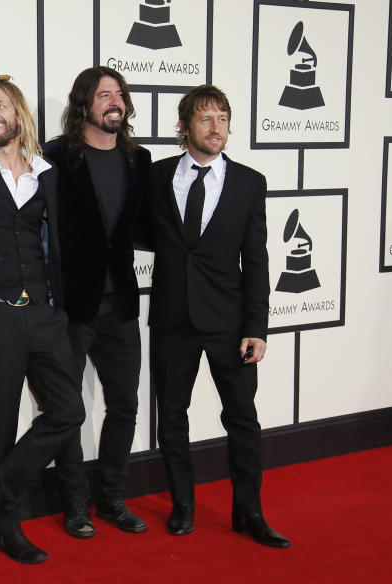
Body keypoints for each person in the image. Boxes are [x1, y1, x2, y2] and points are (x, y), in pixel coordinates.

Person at [146, 84, 290, 548]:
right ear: (185, 126)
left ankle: (249, 511)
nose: (216, 128)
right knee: (171, 416)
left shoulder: (250, 182)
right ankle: (183, 505)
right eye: (205, 118)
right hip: (172, 319)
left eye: (223, 119)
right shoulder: (156, 175)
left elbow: (258, 258)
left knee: (242, 418)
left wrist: (257, 327)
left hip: (229, 322)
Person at [0, 76, 85, 564]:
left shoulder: (47, 172)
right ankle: (6, 527)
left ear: (18, 113)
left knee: (68, 410)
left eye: (0, 105)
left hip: (44, 313)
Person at [44, 67, 151, 538]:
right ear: (84, 104)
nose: (115, 101)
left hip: (122, 303)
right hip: (71, 304)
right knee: (68, 409)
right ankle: (75, 505)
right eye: (104, 94)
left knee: (124, 405)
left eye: (120, 94)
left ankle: (111, 497)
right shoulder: (54, 156)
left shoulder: (140, 160)